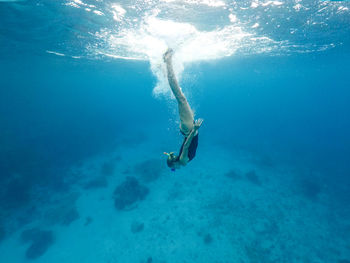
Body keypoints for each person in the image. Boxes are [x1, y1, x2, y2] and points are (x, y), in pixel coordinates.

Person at [163, 48, 203, 170]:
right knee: (181, 98)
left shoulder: (183, 161)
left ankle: (167, 61)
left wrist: (194, 130)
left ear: (174, 164)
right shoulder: (180, 160)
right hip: (188, 129)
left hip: (189, 129)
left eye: (173, 169)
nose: (175, 169)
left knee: (180, 97)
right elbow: (186, 145)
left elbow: (186, 146)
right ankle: (164, 67)